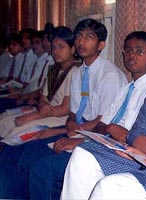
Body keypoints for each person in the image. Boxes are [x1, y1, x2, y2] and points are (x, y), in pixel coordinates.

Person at [60, 24, 146, 200]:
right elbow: (136, 134)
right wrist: (143, 151)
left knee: (108, 188)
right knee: (83, 155)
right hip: (144, 159)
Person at [0, 18, 127, 199]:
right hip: (76, 130)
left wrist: (71, 133)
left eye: (89, 37)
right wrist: (63, 128)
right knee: (21, 151)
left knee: (39, 166)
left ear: (101, 45)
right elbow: (73, 114)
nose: (82, 42)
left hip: (95, 136)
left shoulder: (109, 75)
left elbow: (102, 122)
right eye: (79, 36)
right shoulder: (79, 73)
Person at [29, 30, 146, 200]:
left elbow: (129, 135)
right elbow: (102, 125)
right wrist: (84, 138)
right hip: (100, 142)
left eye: (139, 51)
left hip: (124, 154)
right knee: (39, 155)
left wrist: (83, 140)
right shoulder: (125, 90)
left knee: (43, 168)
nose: (132, 55)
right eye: (128, 50)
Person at [0, 26, 80, 141]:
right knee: (4, 120)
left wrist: (32, 116)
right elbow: (43, 97)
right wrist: (42, 105)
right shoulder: (53, 69)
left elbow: (65, 109)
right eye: (54, 48)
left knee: (15, 131)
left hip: (60, 118)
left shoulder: (75, 71)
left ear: (72, 49)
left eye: (61, 47)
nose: (56, 52)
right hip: (45, 111)